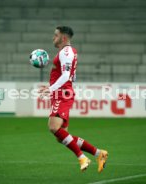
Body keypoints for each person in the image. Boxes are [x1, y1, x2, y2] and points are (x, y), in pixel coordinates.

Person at [38, 26, 108, 172]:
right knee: (61, 136)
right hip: (62, 93)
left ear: (63, 38)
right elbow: (72, 76)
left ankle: (82, 157)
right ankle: (99, 153)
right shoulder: (69, 52)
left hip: (62, 94)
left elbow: (66, 76)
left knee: (53, 127)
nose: (53, 38)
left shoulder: (66, 52)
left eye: (55, 35)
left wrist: (51, 88)